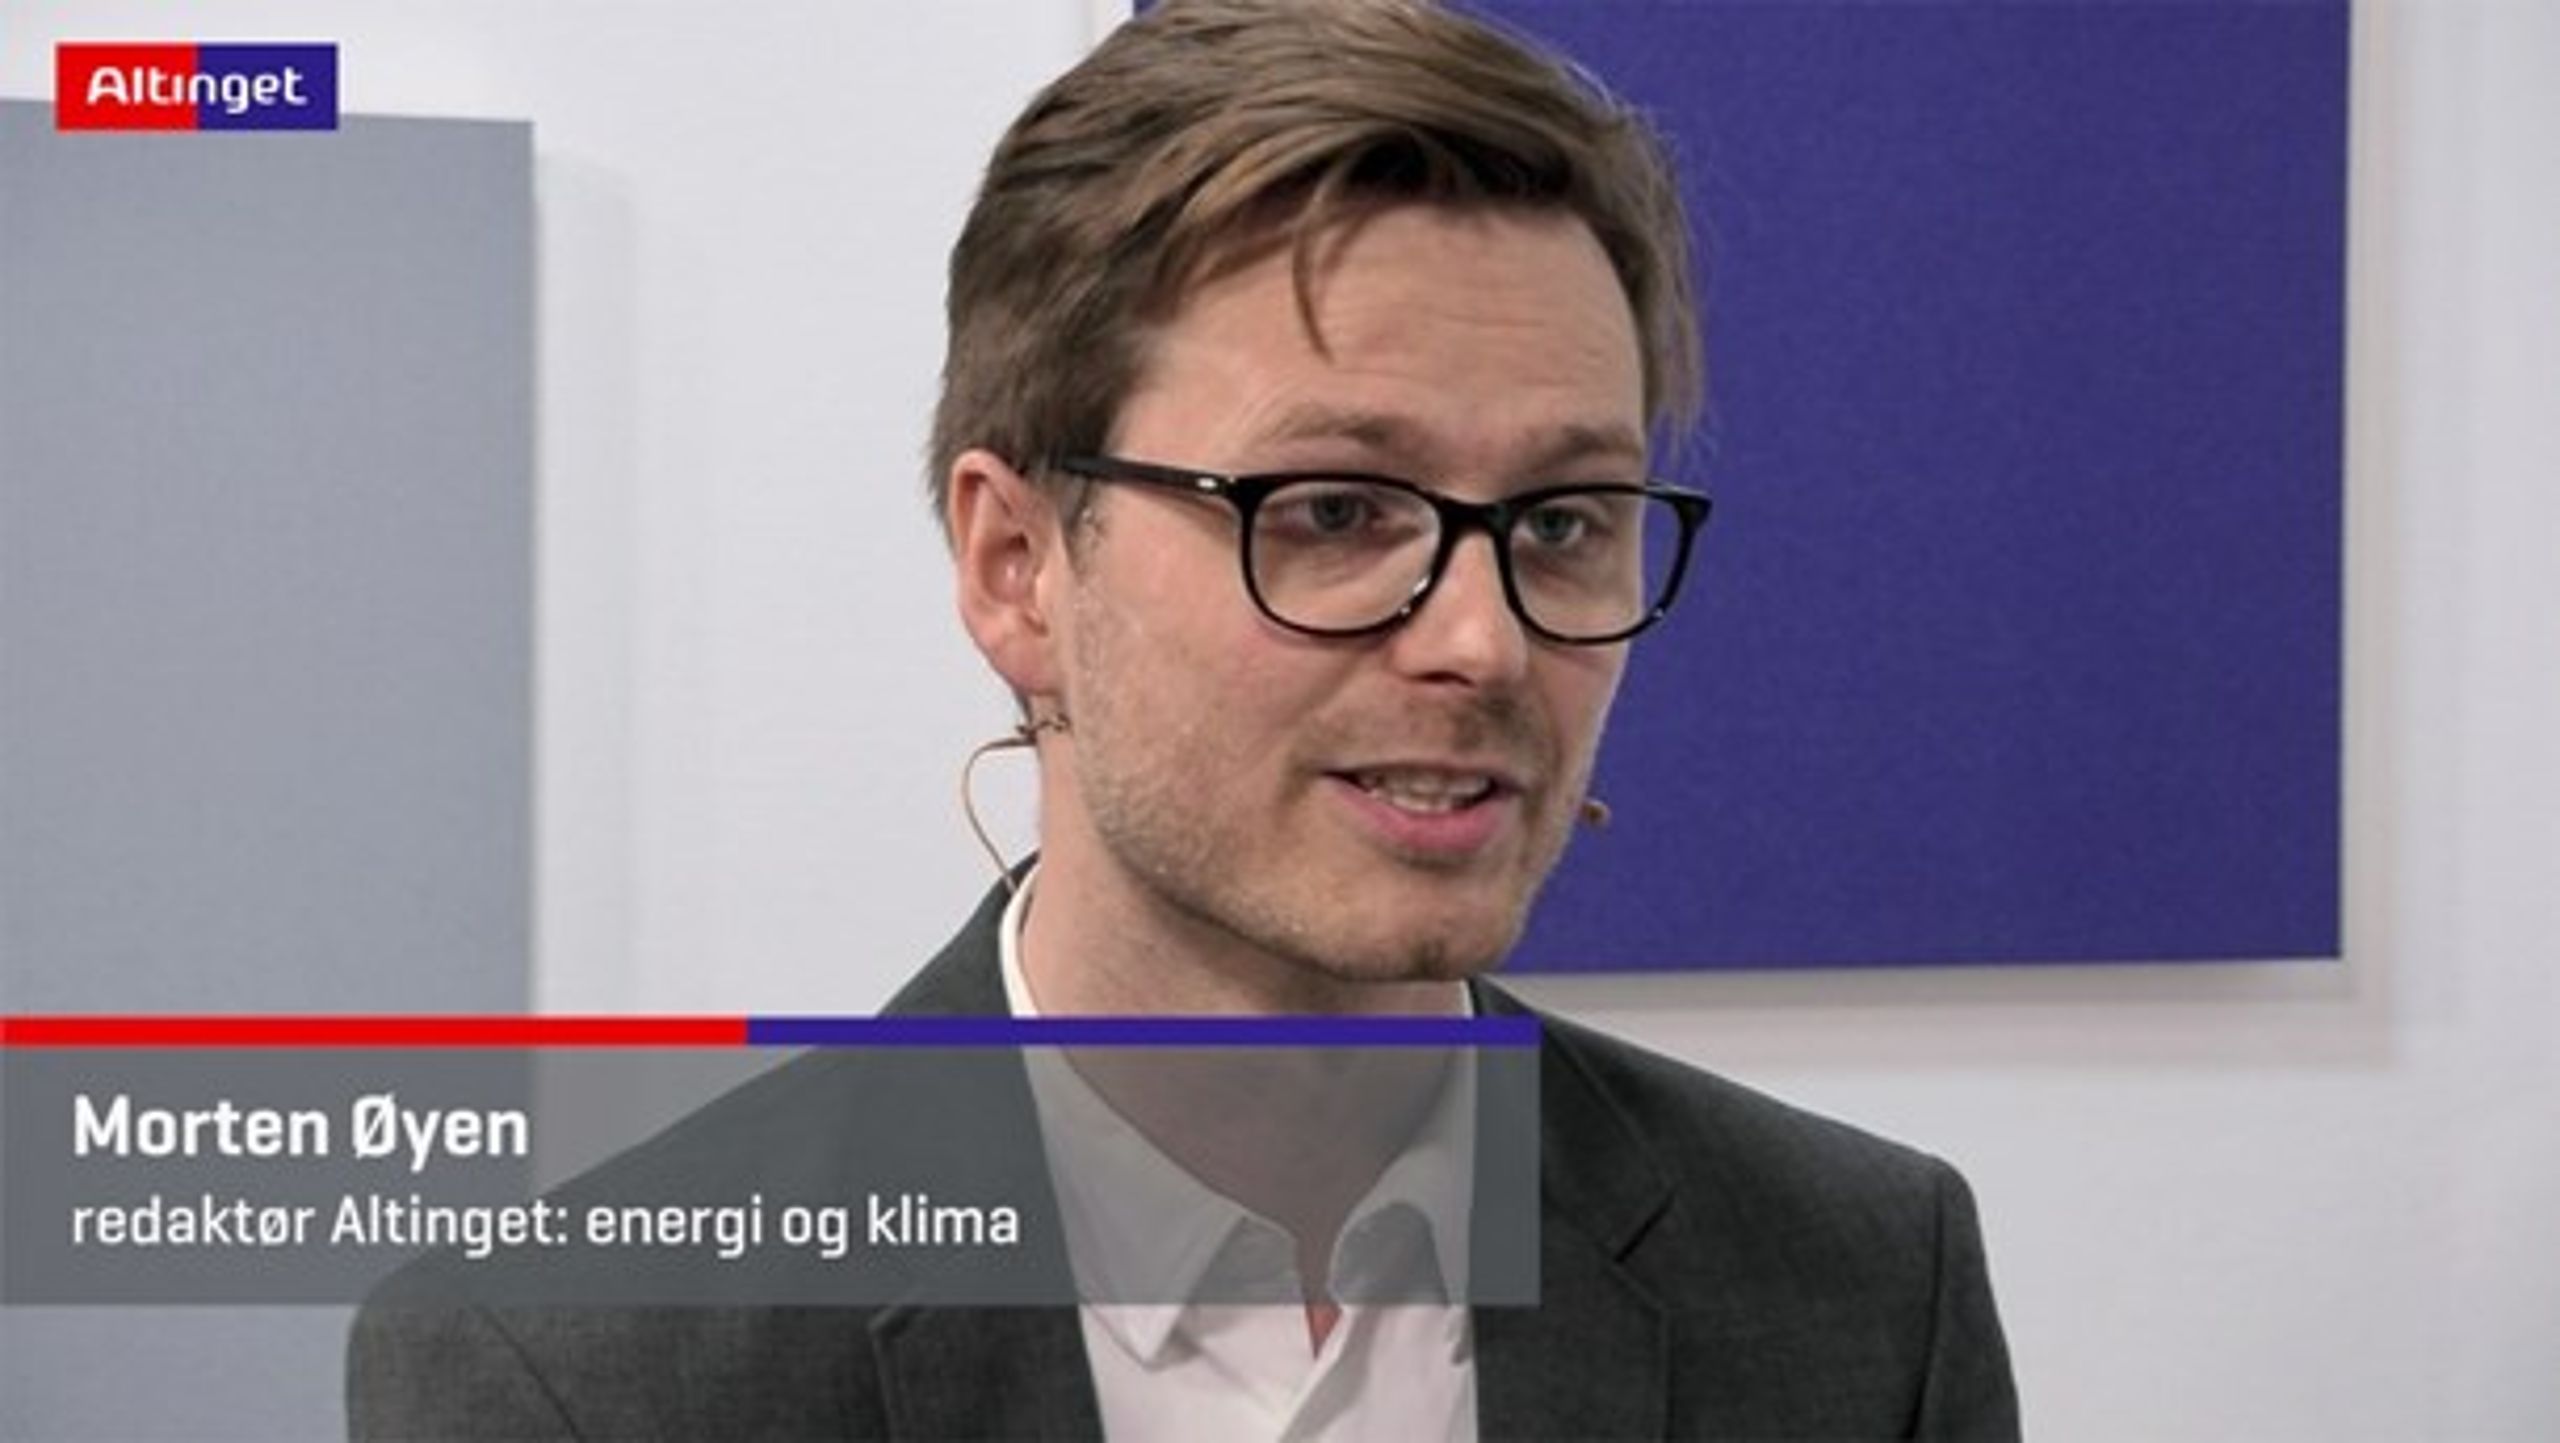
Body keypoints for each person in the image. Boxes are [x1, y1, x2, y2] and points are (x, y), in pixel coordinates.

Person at [350, 1, 2020, 1437]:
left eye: (1566, 522)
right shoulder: (583, 1373)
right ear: (1018, 568)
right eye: (1334, 510)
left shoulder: (1862, 1287)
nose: (1483, 642)